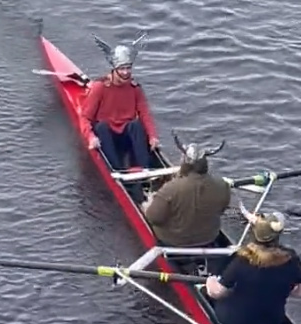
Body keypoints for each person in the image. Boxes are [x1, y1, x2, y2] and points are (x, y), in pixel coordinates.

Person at [205, 204, 301, 324]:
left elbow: (218, 293)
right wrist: (281, 288)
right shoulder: (290, 258)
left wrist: (211, 281)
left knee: (216, 291)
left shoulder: (243, 259)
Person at [81, 32, 158, 171]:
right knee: (101, 127)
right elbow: (85, 118)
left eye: (128, 68)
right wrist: (91, 137)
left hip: (125, 136)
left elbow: (145, 114)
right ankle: (117, 170)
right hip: (107, 137)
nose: (125, 72)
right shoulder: (100, 87)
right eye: (122, 69)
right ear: (114, 69)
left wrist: (153, 137)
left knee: (136, 125)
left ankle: (145, 169)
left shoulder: (135, 88)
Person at [144, 134, 230, 247]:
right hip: (209, 238)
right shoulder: (222, 185)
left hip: (174, 241)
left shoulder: (171, 188)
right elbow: (221, 210)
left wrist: (148, 203)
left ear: (185, 162)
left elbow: (153, 218)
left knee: (146, 206)